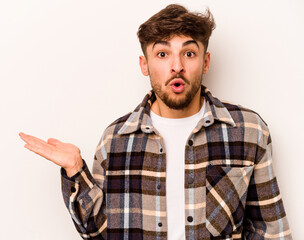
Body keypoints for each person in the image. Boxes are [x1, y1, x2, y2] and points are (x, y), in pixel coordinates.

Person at [19, 4, 292, 240]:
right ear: (144, 65)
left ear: (205, 61)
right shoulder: (116, 140)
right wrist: (75, 169)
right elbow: (99, 232)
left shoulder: (247, 131)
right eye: (162, 54)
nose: (176, 66)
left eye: (189, 53)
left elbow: (270, 230)